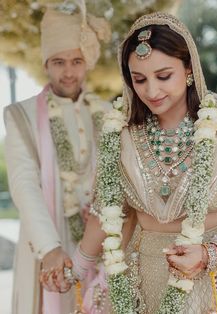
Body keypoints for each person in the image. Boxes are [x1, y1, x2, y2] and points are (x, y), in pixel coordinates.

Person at [45, 12, 217, 314]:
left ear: (188, 68)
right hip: (141, 278)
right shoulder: (121, 134)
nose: (151, 91)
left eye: (163, 76)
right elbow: (107, 209)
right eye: (139, 79)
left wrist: (211, 253)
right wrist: (76, 270)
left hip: (212, 280)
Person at [3, 1, 111, 313]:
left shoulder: (107, 113)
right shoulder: (19, 115)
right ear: (46, 63)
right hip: (49, 237)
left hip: (101, 235)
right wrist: (49, 247)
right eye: (59, 61)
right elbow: (24, 184)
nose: (68, 72)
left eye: (76, 61)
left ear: (86, 62)